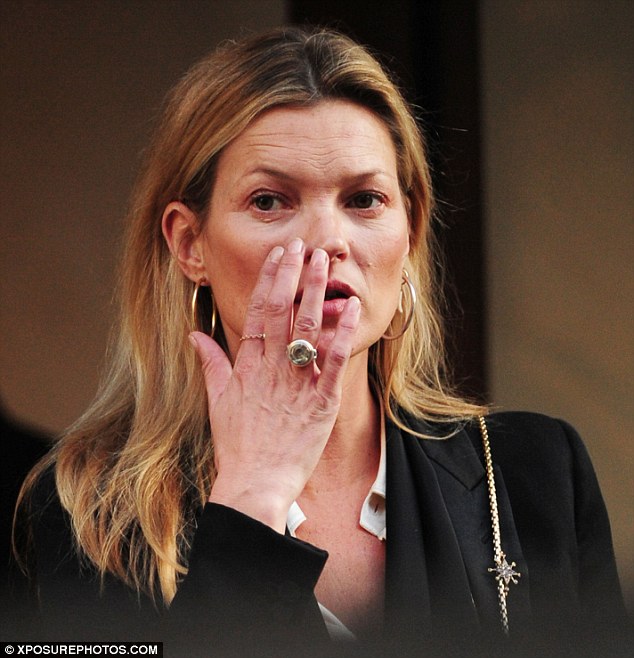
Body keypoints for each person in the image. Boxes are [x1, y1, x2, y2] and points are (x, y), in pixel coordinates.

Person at [13, 26, 626, 657]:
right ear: (190, 244)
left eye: (364, 199)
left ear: (411, 231)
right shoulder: (91, 514)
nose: (328, 239)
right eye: (270, 201)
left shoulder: (536, 474)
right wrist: (251, 498)